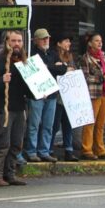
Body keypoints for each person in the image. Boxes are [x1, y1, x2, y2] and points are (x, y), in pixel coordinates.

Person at [0, 30, 30, 187]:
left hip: (19, 107)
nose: (17, 44)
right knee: (2, 143)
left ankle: (9, 173)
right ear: (7, 42)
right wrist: (1, 80)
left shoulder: (24, 62)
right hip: (2, 108)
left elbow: (29, 87)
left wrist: (40, 92)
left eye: (19, 41)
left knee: (17, 143)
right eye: (14, 41)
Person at [25, 28, 64, 162]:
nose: (46, 40)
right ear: (36, 40)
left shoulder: (52, 53)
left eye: (47, 38)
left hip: (51, 94)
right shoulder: (32, 53)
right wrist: (54, 66)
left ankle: (44, 151)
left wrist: (47, 66)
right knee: (34, 124)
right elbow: (33, 69)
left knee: (48, 124)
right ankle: (31, 151)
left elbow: (63, 69)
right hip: (36, 93)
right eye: (43, 38)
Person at [79, 32, 105, 160]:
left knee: (101, 123)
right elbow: (85, 77)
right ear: (90, 43)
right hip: (93, 93)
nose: (100, 43)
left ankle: (100, 149)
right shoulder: (85, 58)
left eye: (101, 41)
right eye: (96, 41)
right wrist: (101, 78)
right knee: (90, 122)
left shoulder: (103, 57)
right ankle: (86, 149)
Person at [49, 34, 80, 162]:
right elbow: (55, 70)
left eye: (69, 42)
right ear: (59, 43)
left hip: (68, 95)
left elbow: (73, 70)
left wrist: (66, 68)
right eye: (66, 41)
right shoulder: (54, 55)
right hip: (57, 96)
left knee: (68, 124)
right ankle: (49, 149)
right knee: (55, 124)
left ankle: (69, 150)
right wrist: (64, 68)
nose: (69, 44)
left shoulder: (70, 57)